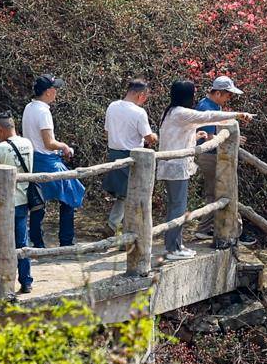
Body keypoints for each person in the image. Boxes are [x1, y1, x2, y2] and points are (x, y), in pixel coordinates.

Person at [155, 79, 253, 260]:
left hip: (171, 166)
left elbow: (176, 136)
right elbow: (208, 116)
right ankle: (173, 249)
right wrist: (239, 114)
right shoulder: (181, 112)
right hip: (176, 167)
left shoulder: (171, 112)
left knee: (176, 206)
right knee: (178, 207)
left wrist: (194, 136)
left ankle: (176, 244)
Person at [0, 112, 37, 295]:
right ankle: (26, 281)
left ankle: (2, 283)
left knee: (0, 244)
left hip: (2, 203)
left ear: (1, 129)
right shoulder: (28, 143)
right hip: (22, 199)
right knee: (22, 242)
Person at [20, 75, 77, 247]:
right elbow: (49, 143)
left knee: (38, 202)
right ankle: (66, 241)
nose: (56, 92)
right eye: (55, 89)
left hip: (32, 160)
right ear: (48, 91)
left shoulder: (29, 107)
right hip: (47, 160)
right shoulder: (44, 111)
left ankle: (37, 240)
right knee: (69, 197)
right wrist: (65, 146)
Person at [195, 76, 243, 249]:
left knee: (214, 191)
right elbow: (207, 135)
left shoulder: (214, 106)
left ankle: (207, 228)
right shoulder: (206, 108)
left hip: (213, 154)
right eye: (227, 95)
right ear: (217, 93)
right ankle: (227, 229)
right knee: (219, 191)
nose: (228, 98)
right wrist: (231, 139)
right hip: (209, 155)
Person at [102, 79, 155, 233]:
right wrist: (155, 137)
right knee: (129, 194)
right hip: (132, 157)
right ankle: (117, 227)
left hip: (114, 153)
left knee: (124, 194)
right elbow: (149, 137)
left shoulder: (112, 106)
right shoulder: (139, 112)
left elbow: (107, 132)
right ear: (141, 95)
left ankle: (117, 226)